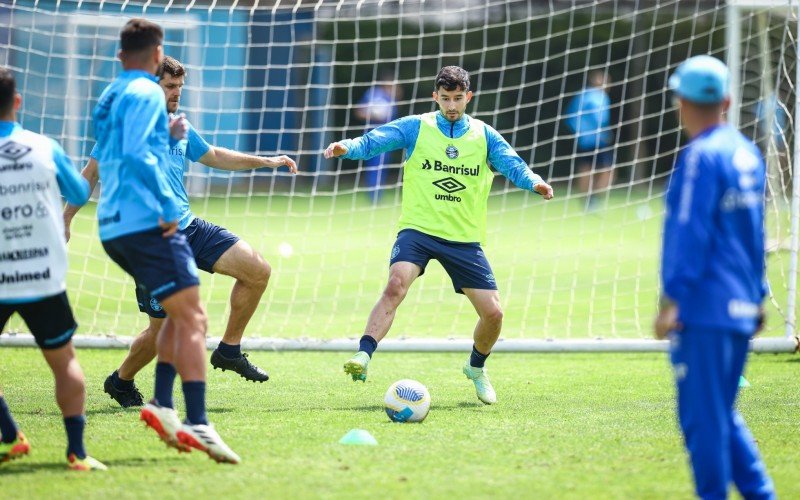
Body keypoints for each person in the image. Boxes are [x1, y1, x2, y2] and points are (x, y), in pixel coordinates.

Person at [64, 55, 297, 409]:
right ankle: (121, 380)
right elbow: (91, 174)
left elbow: (214, 155)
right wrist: (65, 219)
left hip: (188, 227)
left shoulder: (179, 125)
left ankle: (230, 350)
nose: (177, 94)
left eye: (179, 87)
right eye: (170, 87)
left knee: (258, 271)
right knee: (164, 330)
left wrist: (266, 161)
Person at [324, 66, 554, 405]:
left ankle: (476, 368)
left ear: (469, 97)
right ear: (435, 96)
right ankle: (363, 355)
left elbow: (512, 163)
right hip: (418, 229)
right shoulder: (417, 126)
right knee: (395, 285)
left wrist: (533, 181)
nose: (451, 105)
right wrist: (347, 146)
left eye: (458, 99)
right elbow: (375, 140)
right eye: (445, 98)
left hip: (463, 238)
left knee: (494, 314)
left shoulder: (483, 135)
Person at [92, 19, 238, 464]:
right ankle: (193, 419)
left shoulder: (112, 97)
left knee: (181, 316)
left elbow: (118, 154)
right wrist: (161, 207)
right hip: (151, 224)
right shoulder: (145, 97)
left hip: (114, 227)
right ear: (156, 58)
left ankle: (161, 403)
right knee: (192, 321)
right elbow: (139, 157)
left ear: (122, 57)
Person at [655, 55, 775, 499]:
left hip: (704, 309)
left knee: (703, 421)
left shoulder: (699, 158)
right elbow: (753, 233)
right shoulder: (748, 152)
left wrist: (671, 301)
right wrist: (758, 295)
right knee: (721, 412)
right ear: (726, 101)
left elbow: (689, 234)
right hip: (742, 304)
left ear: (680, 102)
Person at [0, 67, 105, 470]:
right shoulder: (42, 146)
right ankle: (77, 452)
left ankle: (9, 434)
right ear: (17, 102)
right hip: (41, 275)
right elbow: (79, 191)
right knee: (64, 361)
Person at [564, 70, 613, 211]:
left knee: (594, 169)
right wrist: (581, 132)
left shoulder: (594, 96)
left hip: (594, 139)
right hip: (592, 140)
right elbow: (572, 117)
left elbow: (570, 117)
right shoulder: (590, 96)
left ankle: (590, 200)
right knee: (596, 170)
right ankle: (591, 200)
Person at [354, 73, 401, 204]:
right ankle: (373, 196)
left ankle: (377, 195)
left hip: (389, 137)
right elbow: (359, 110)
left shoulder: (391, 97)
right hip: (374, 136)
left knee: (381, 166)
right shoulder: (374, 94)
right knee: (375, 166)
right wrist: (372, 113)